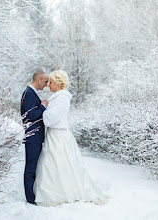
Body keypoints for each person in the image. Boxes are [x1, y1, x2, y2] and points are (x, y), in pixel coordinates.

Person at [33, 70, 107, 206]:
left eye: (51, 82)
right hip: (54, 135)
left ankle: (64, 192)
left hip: (59, 136)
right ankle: (56, 190)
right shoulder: (56, 98)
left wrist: (44, 110)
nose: (48, 85)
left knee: (60, 164)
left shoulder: (61, 99)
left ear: (58, 83)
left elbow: (50, 120)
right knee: (54, 164)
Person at [20, 70, 49, 205]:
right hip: (33, 138)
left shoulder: (31, 94)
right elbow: (31, 116)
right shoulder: (29, 95)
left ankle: (32, 196)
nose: (46, 85)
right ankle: (30, 199)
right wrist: (43, 106)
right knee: (31, 167)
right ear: (38, 80)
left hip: (35, 137)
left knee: (33, 166)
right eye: (45, 81)